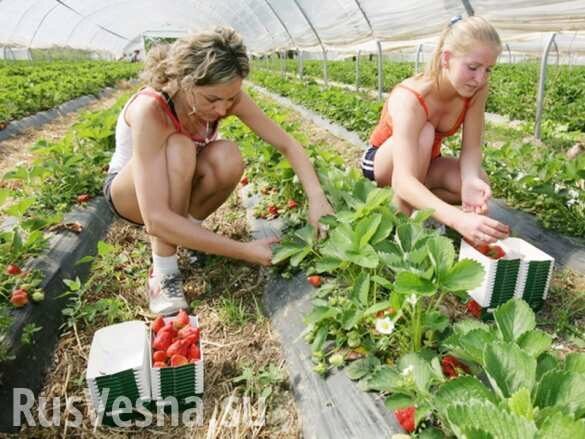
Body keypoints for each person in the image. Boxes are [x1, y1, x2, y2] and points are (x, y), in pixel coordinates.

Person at [103, 27, 333, 315]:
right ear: (186, 82)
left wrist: (317, 198)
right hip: (132, 196)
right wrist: (244, 250)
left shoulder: (227, 96)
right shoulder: (151, 109)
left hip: (178, 184)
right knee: (180, 147)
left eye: (231, 97)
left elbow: (286, 143)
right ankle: (164, 273)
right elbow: (156, 220)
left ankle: (188, 235)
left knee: (228, 156)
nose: (223, 109)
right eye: (212, 99)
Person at [360, 16, 510, 245]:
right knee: (425, 133)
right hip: (385, 163)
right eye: (473, 67)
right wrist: (457, 219)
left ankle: (418, 200)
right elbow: (402, 178)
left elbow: (471, 147)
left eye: (488, 70)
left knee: (479, 181)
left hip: (427, 162)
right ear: (447, 58)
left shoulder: (477, 89)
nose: (480, 78)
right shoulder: (410, 97)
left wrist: (469, 179)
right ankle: (404, 220)